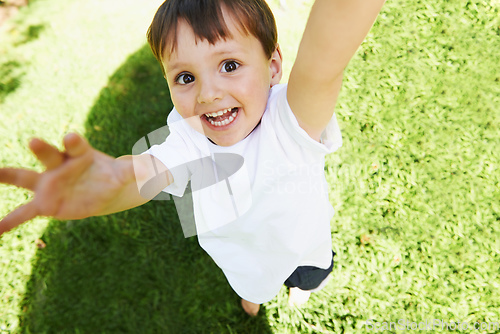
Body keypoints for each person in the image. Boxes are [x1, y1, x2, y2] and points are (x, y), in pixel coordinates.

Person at [0, 0, 385, 316]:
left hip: (303, 241)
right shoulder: (189, 137)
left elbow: (325, 62)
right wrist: (107, 185)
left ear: (272, 67)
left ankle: (299, 288)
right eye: (185, 77)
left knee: (307, 274)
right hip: (242, 251)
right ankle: (255, 294)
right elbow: (145, 173)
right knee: (251, 283)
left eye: (229, 66)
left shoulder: (291, 120)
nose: (207, 93)